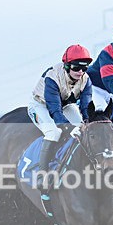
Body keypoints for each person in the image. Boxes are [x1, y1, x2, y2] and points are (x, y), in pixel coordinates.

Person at [28, 44, 94, 187]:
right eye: (76, 68)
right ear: (66, 66)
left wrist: (87, 122)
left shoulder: (86, 80)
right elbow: (55, 110)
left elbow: (85, 106)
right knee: (54, 132)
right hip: (41, 105)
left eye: (84, 68)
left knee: (83, 128)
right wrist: (68, 127)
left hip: (65, 105)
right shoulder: (53, 77)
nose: (80, 72)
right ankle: (42, 175)